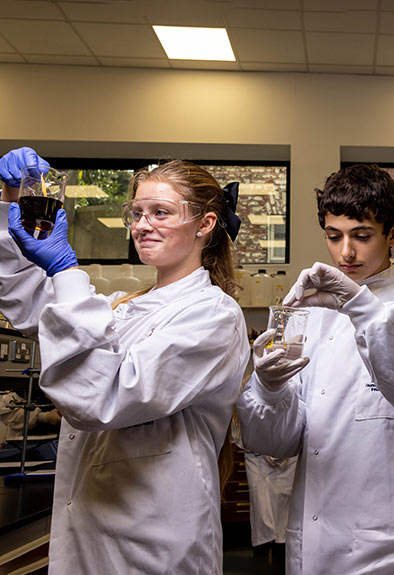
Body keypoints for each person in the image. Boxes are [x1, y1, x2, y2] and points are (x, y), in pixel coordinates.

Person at [0, 148, 250, 574]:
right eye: (136, 212)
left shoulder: (213, 315)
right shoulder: (120, 307)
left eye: (160, 212)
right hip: (93, 530)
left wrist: (66, 270)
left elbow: (103, 397)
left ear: (205, 224)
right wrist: (14, 199)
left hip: (153, 540)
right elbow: (30, 302)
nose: (142, 225)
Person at [236, 163, 394, 575]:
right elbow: (275, 443)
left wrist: (359, 306)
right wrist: (269, 389)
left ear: (393, 234)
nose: (346, 253)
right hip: (314, 536)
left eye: (362, 236)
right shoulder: (303, 311)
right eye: (334, 236)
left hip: (391, 542)